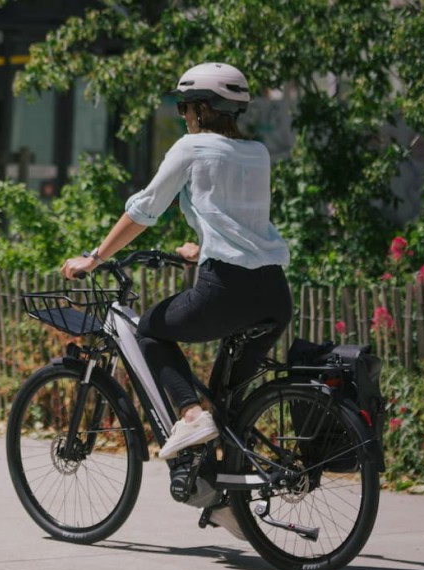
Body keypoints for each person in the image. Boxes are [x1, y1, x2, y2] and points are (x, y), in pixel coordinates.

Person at [60, 63, 293, 535]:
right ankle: (226, 498)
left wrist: (95, 255)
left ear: (204, 109)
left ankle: (188, 415)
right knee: (231, 409)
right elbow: (239, 220)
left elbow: (145, 209)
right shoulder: (257, 152)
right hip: (273, 292)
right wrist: (201, 247)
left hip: (226, 288)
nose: (183, 114)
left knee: (150, 330)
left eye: (185, 105)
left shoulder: (192, 146)